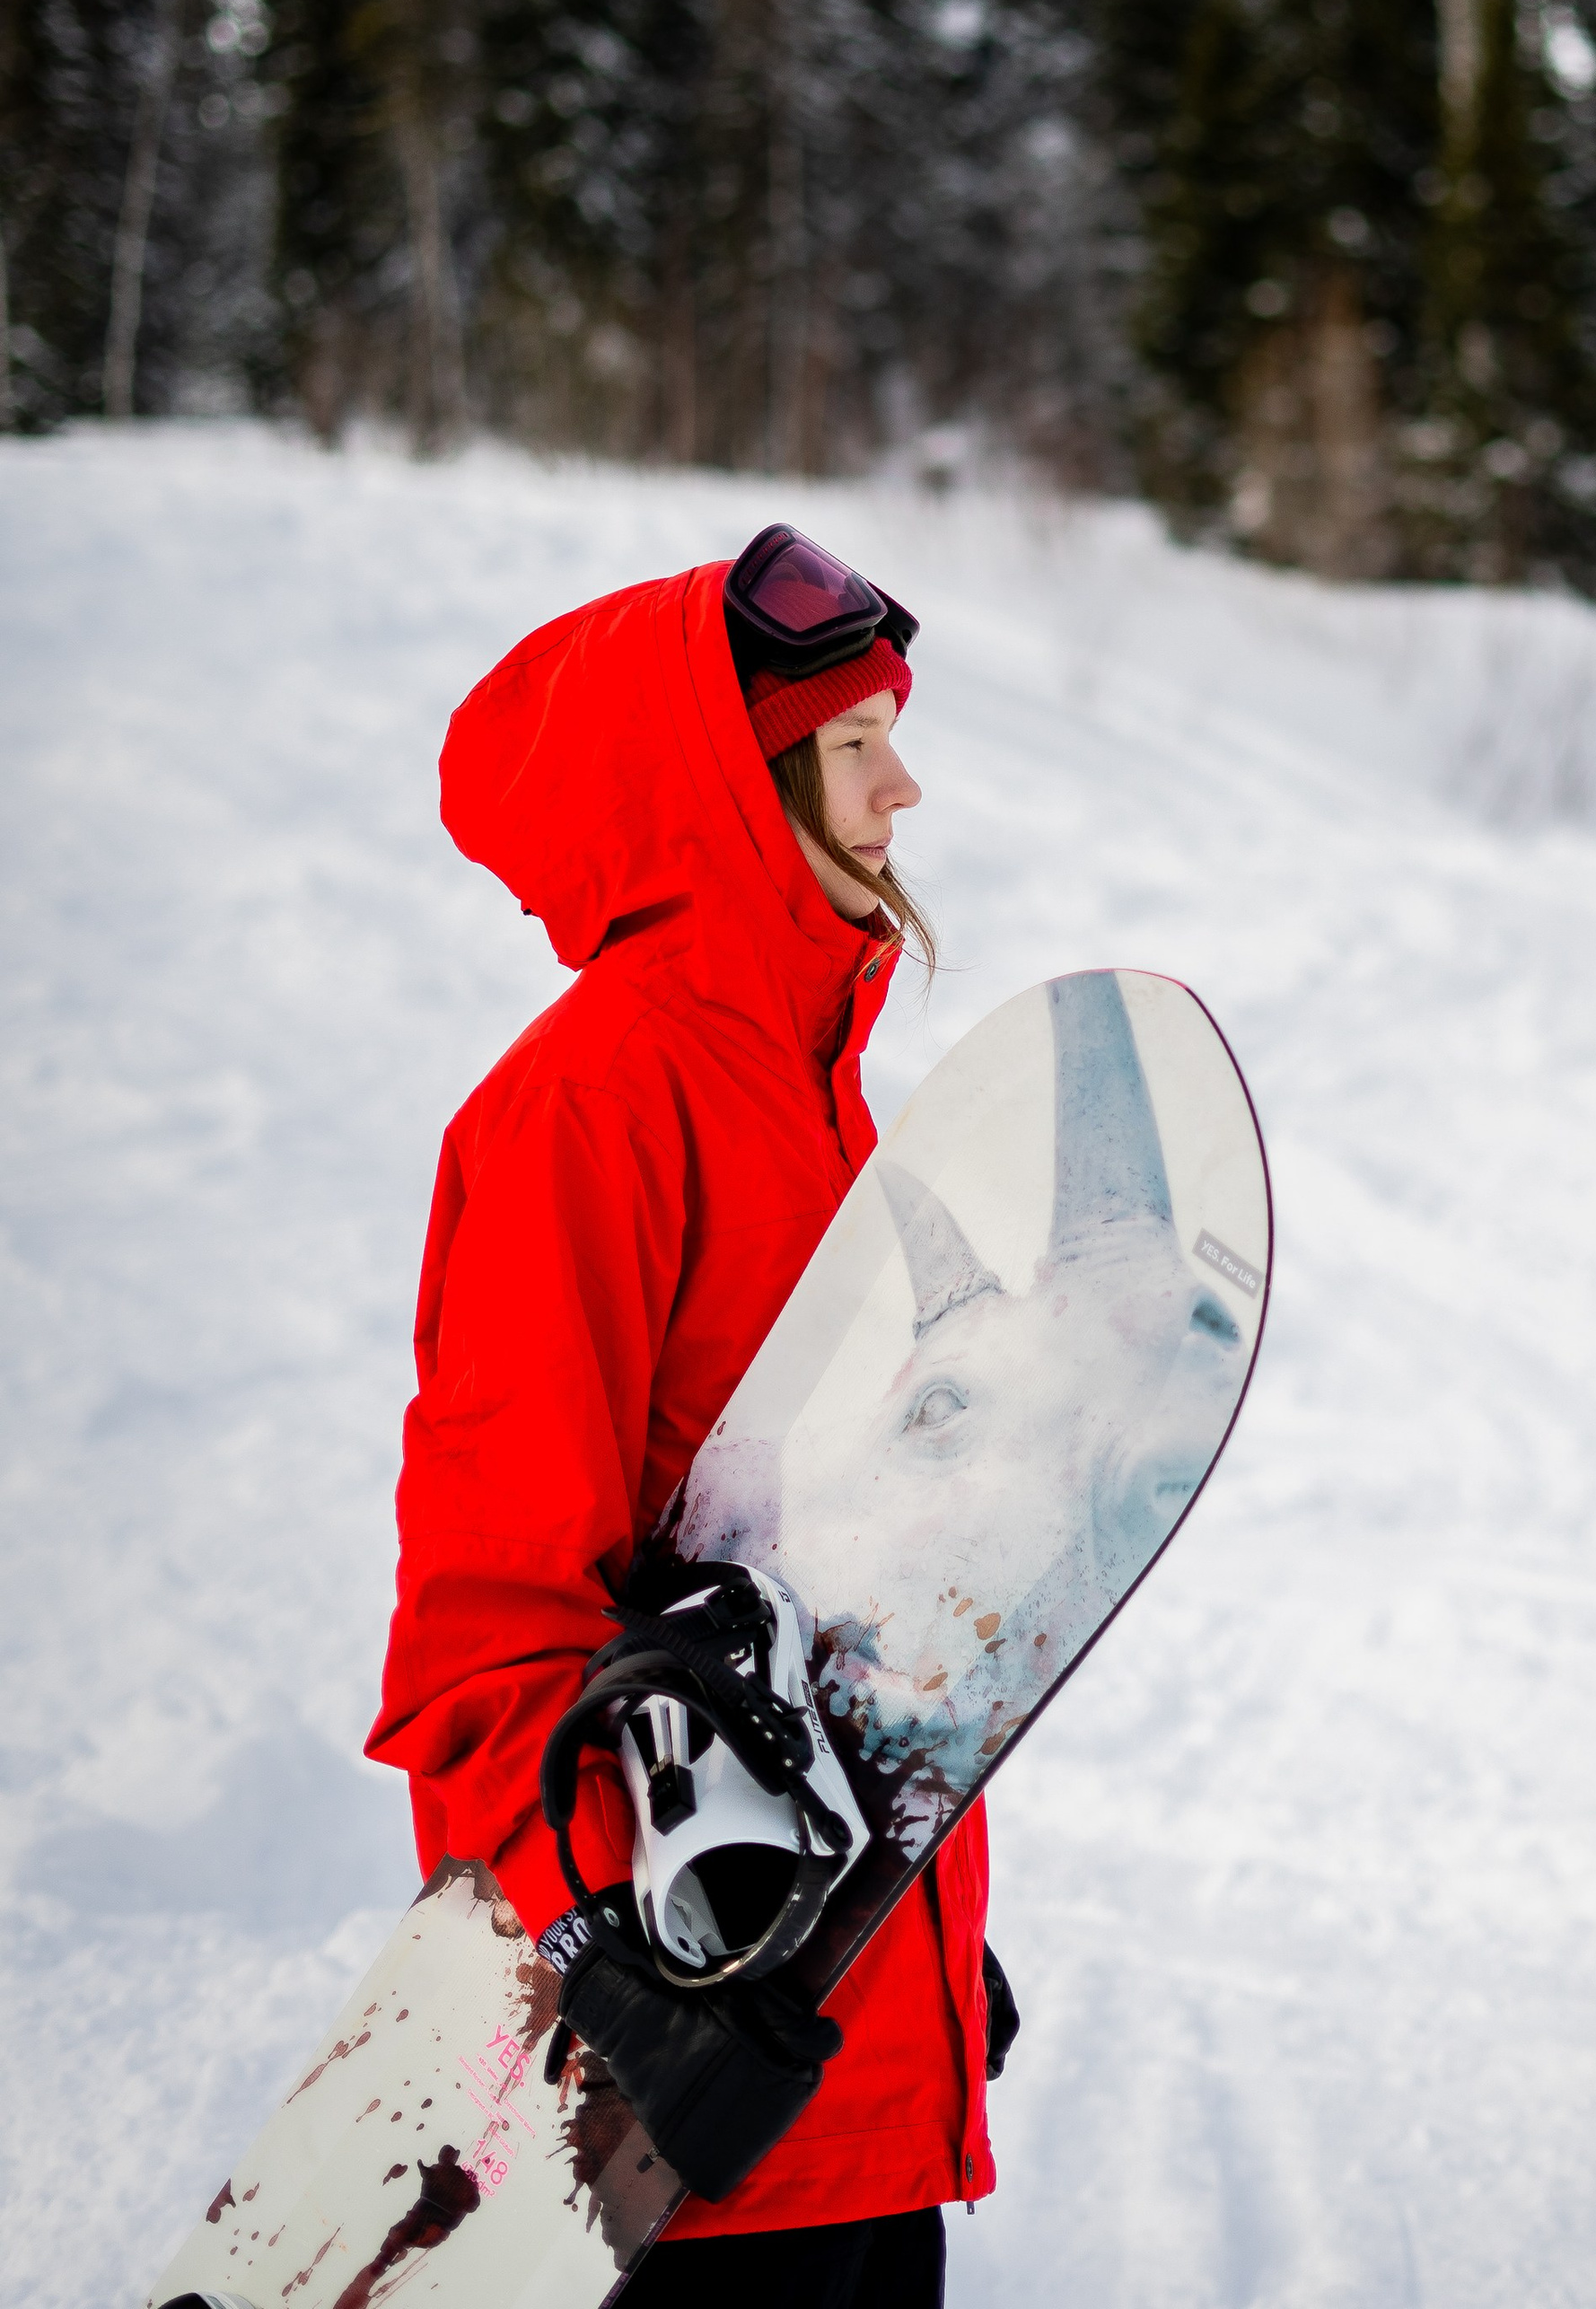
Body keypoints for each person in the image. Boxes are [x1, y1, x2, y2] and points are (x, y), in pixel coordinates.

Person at [367, 525, 999, 2309]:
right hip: (684, 2109)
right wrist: (592, 1960)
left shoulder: (819, 1102)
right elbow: (485, 1625)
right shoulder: (589, 1111)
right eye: (856, 747)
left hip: (852, 2034)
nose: (907, 785)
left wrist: (932, 1939)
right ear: (731, 787)